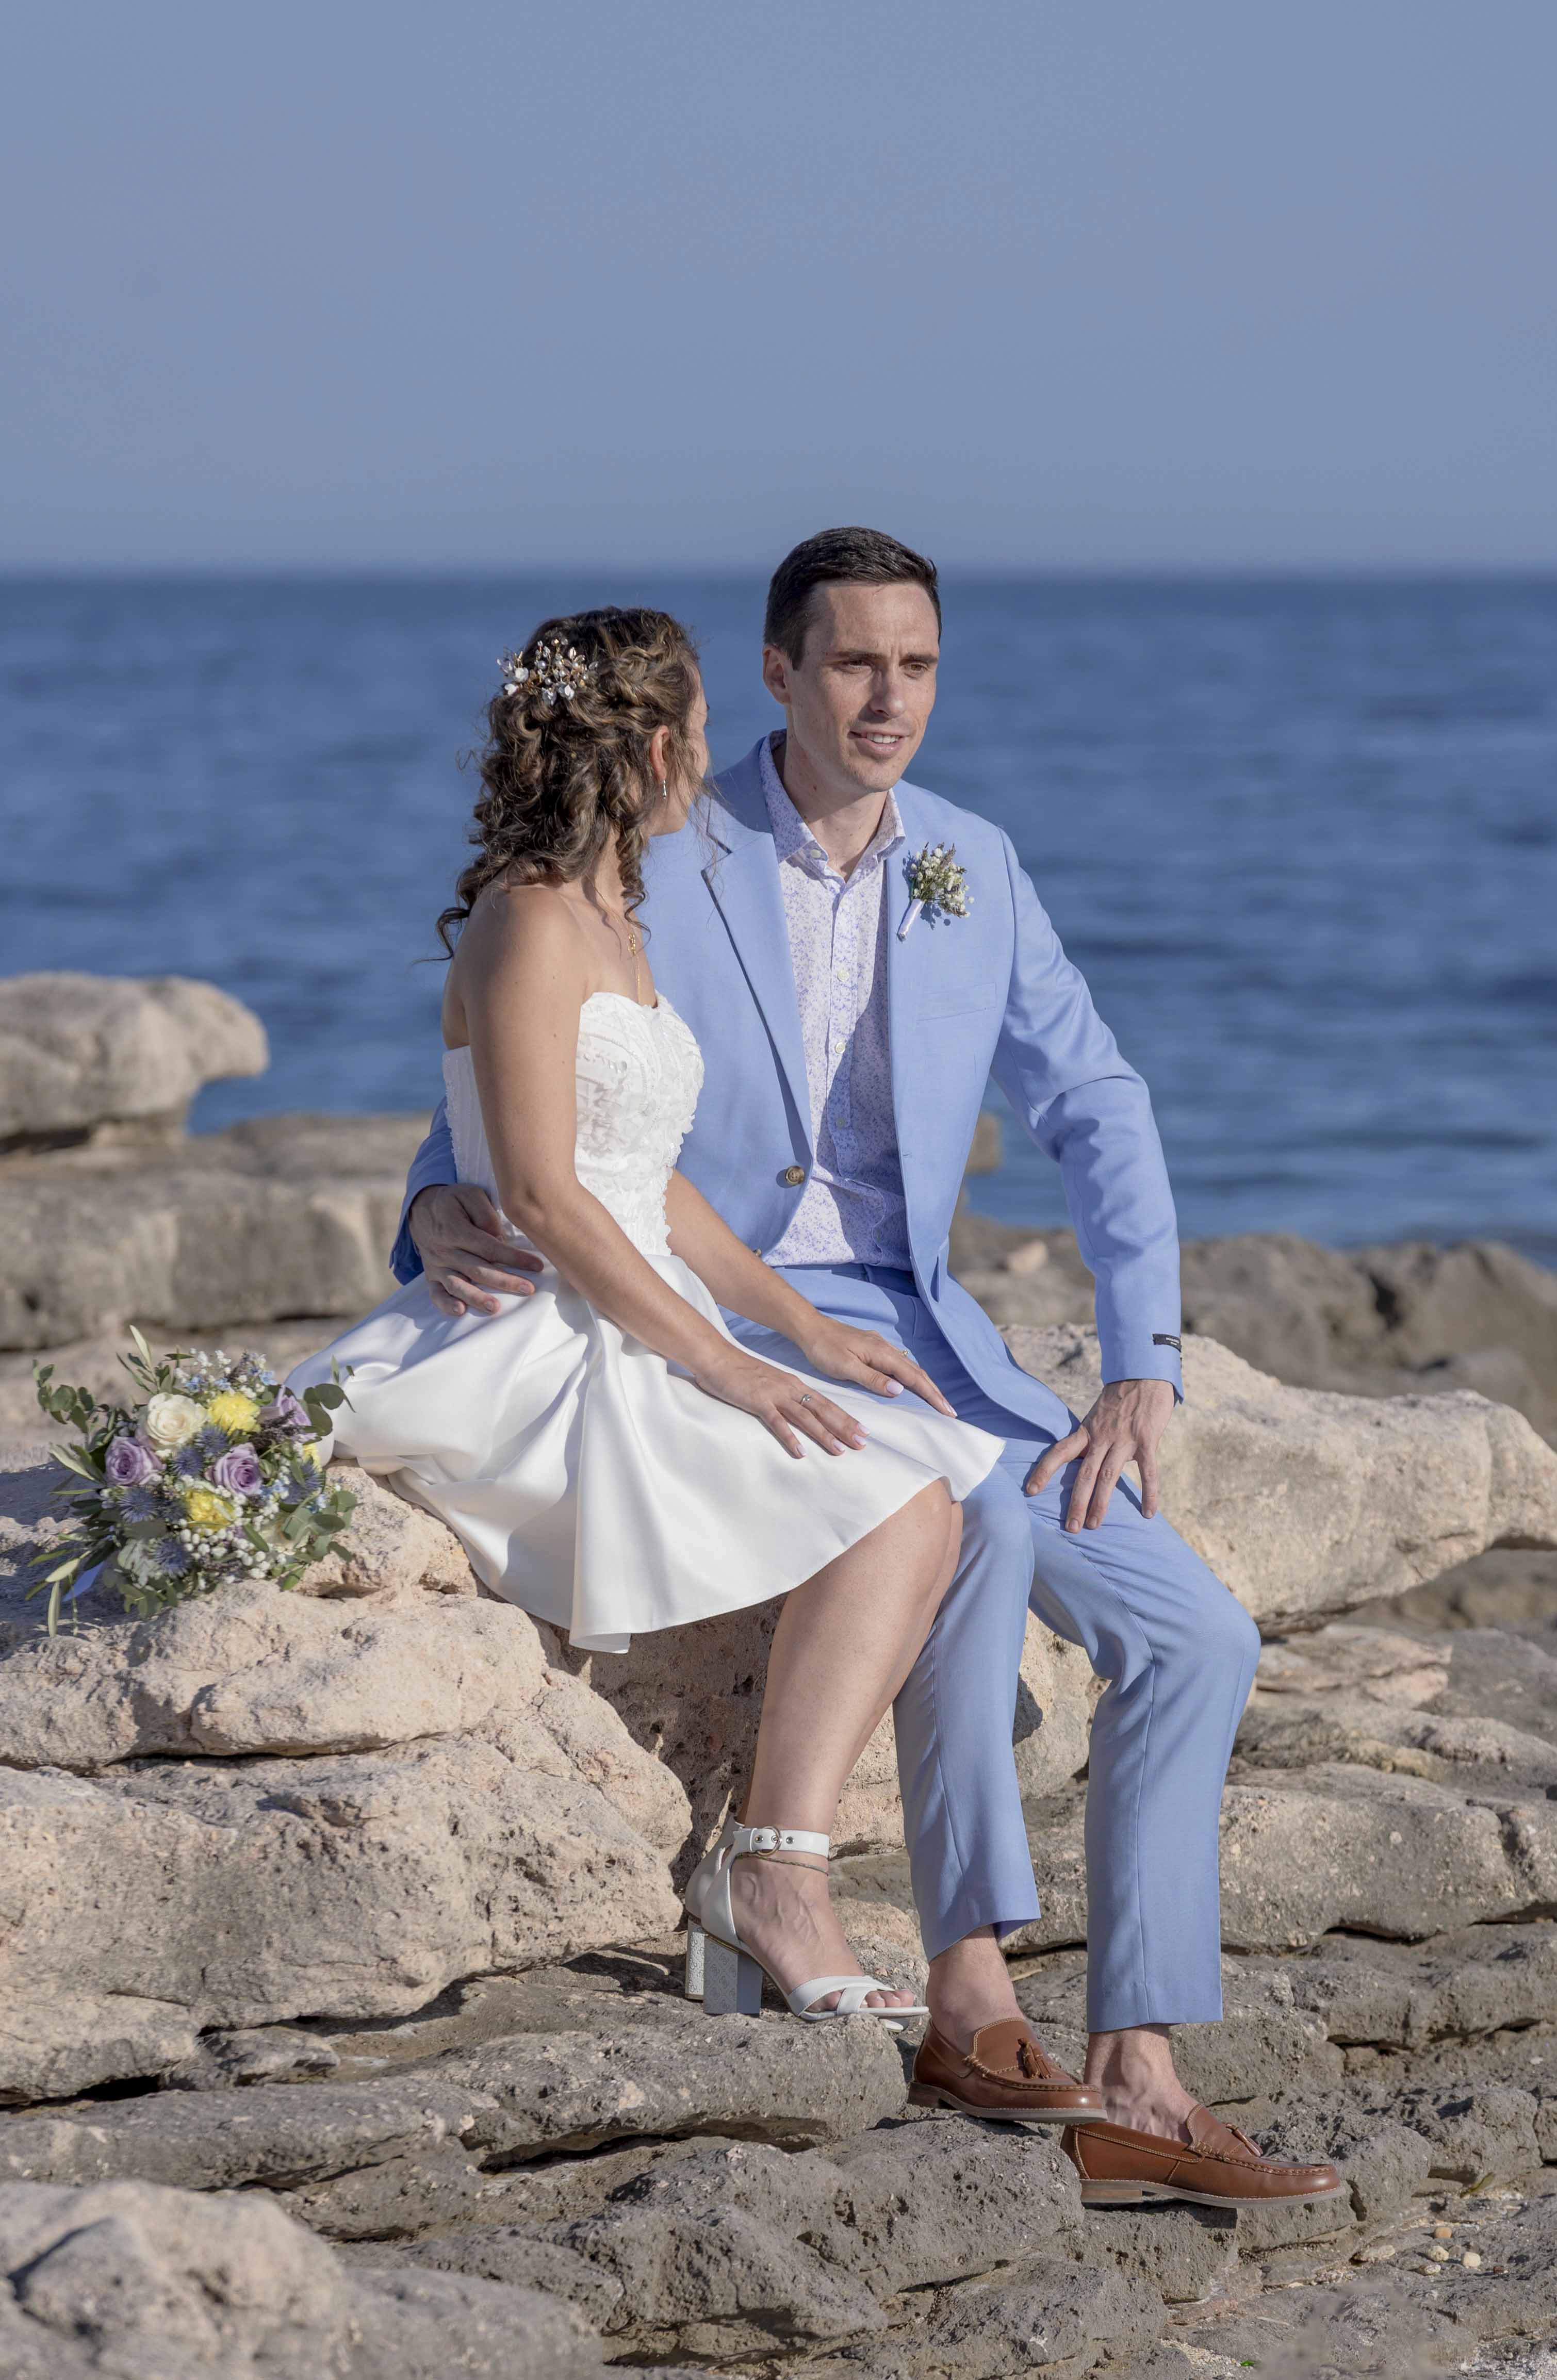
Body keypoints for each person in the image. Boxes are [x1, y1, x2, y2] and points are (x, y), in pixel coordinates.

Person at [392, 534, 1341, 2207]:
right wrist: (437, 1200)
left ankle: (1138, 2062)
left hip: (923, 1324)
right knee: (958, 1510)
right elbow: (539, 1065)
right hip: (723, 1300)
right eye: (852, 665)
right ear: (777, 675)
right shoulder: (670, 843)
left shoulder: (969, 860)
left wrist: (1143, 1358)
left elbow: (1098, 1104)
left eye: (916, 665)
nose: (888, 698)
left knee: (1200, 1632)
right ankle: (972, 1991)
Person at [289, 606, 1090, 2056]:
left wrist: (796, 1326)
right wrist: (722, 1364)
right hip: (549, 1333)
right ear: (660, 751)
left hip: (643, 1293)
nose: (717, 761)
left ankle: (769, 1877)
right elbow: (542, 1190)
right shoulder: (529, 918)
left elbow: (650, 1176)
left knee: (929, 1482)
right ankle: (775, 1885)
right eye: (707, 734)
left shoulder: (615, 920)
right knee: (906, 1505)